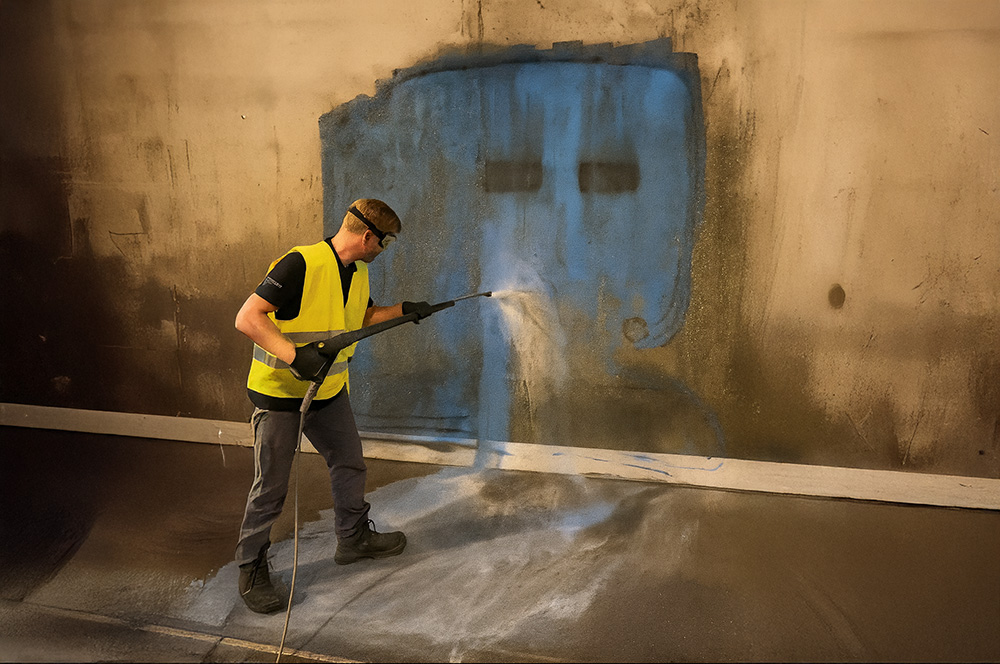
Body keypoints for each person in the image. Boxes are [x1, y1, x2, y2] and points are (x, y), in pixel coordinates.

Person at [233, 198, 432, 614]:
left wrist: (405, 311)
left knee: (349, 461)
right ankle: (251, 567)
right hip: (279, 394)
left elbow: (360, 317)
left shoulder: (356, 272)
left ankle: (353, 538)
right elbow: (248, 317)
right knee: (270, 487)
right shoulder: (299, 264)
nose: (384, 250)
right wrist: (293, 356)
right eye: (386, 242)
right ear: (368, 237)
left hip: (327, 391)